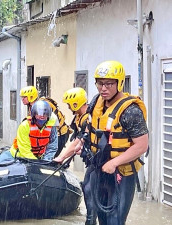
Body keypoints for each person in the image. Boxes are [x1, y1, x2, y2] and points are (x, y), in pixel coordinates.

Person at [54, 61, 148, 225]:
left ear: (119, 83)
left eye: (109, 84)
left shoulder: (131, 111)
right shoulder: (96, 102)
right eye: (100, 83)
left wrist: (114, 162)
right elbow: (89, 130)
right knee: (100, 217)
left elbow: (142, 145)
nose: (103, 88)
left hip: (121, 173)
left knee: (115, 220)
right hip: (98, 168)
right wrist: (81, 145)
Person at [63, 87, 97, 225]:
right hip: (91, 160)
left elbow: (78, 141)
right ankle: (91, 219)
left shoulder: (86, 119)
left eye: (69, 104)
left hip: (98, 160)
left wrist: (61, 158)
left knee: (89, 187)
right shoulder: (79, 117)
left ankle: (91, 220)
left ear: (75, 103)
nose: (68, 107)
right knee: (87, 186)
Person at [20, 86, 70, 156]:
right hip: (49, 135)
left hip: (59, 134)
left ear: (31, 97)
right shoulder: (32, 107)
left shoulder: (43, 106)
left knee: (50, 159)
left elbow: (53, 124)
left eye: (24, 97)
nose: (22, 99)